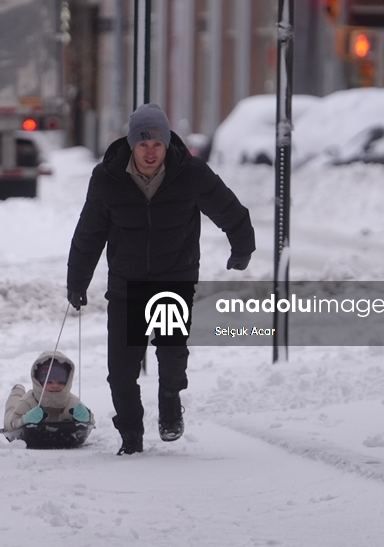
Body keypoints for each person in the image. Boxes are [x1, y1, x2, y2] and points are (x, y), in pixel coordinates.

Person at [67, 103, 255, 455]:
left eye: (157, 144)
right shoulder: (108, 178)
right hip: (127, 284)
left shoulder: (190, 173)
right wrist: (77, 281)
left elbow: (227, 207)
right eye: (143, 144)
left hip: (174, 278)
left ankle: (170, 399)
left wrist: (241, 247)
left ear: (167, 143)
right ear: (132, 144)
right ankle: (131, 437)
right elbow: (89, 232)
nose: (150, 151)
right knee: (121, 371)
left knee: (170, 357)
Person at [3, 351, 94, 431]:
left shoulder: (73, 402)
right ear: (39, 383)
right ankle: (18, 390)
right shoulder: (28, 401)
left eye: (61, 382)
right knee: (12, 406)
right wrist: (24, 420)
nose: (55, 386)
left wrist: (87, 418)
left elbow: (92, 422)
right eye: (49, 382)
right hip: (21, 410)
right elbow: (10, 425)